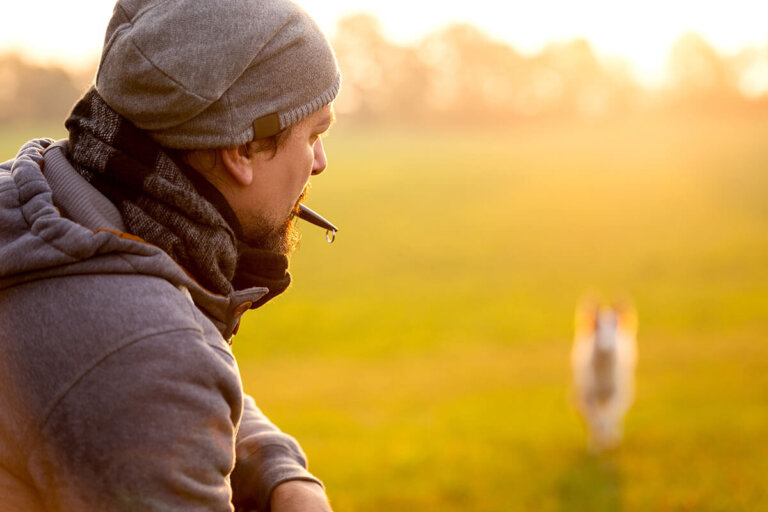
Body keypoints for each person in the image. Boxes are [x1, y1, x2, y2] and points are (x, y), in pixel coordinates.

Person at [0, 0, 340, 511]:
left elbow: (123, 376)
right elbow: (147, 367)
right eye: (314, 134)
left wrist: (277, 467)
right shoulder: (146, 348)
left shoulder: (41, 203)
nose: (320, 162)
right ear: (241, 150)